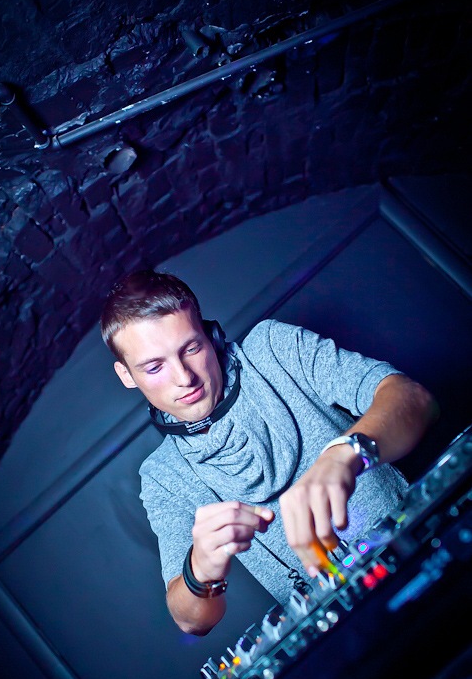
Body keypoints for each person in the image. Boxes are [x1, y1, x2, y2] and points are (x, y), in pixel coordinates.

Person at [100, 269, 437, 636]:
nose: (184, 378)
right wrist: (200, 569)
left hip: (427, 551)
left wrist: (345, 453)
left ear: (211, 336)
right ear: (127, 375)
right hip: (357, 633)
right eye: (155, 367)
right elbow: (190, 620)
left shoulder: (272, 349)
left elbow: (412, 398)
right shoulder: (163, 477)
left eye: (191, 348)